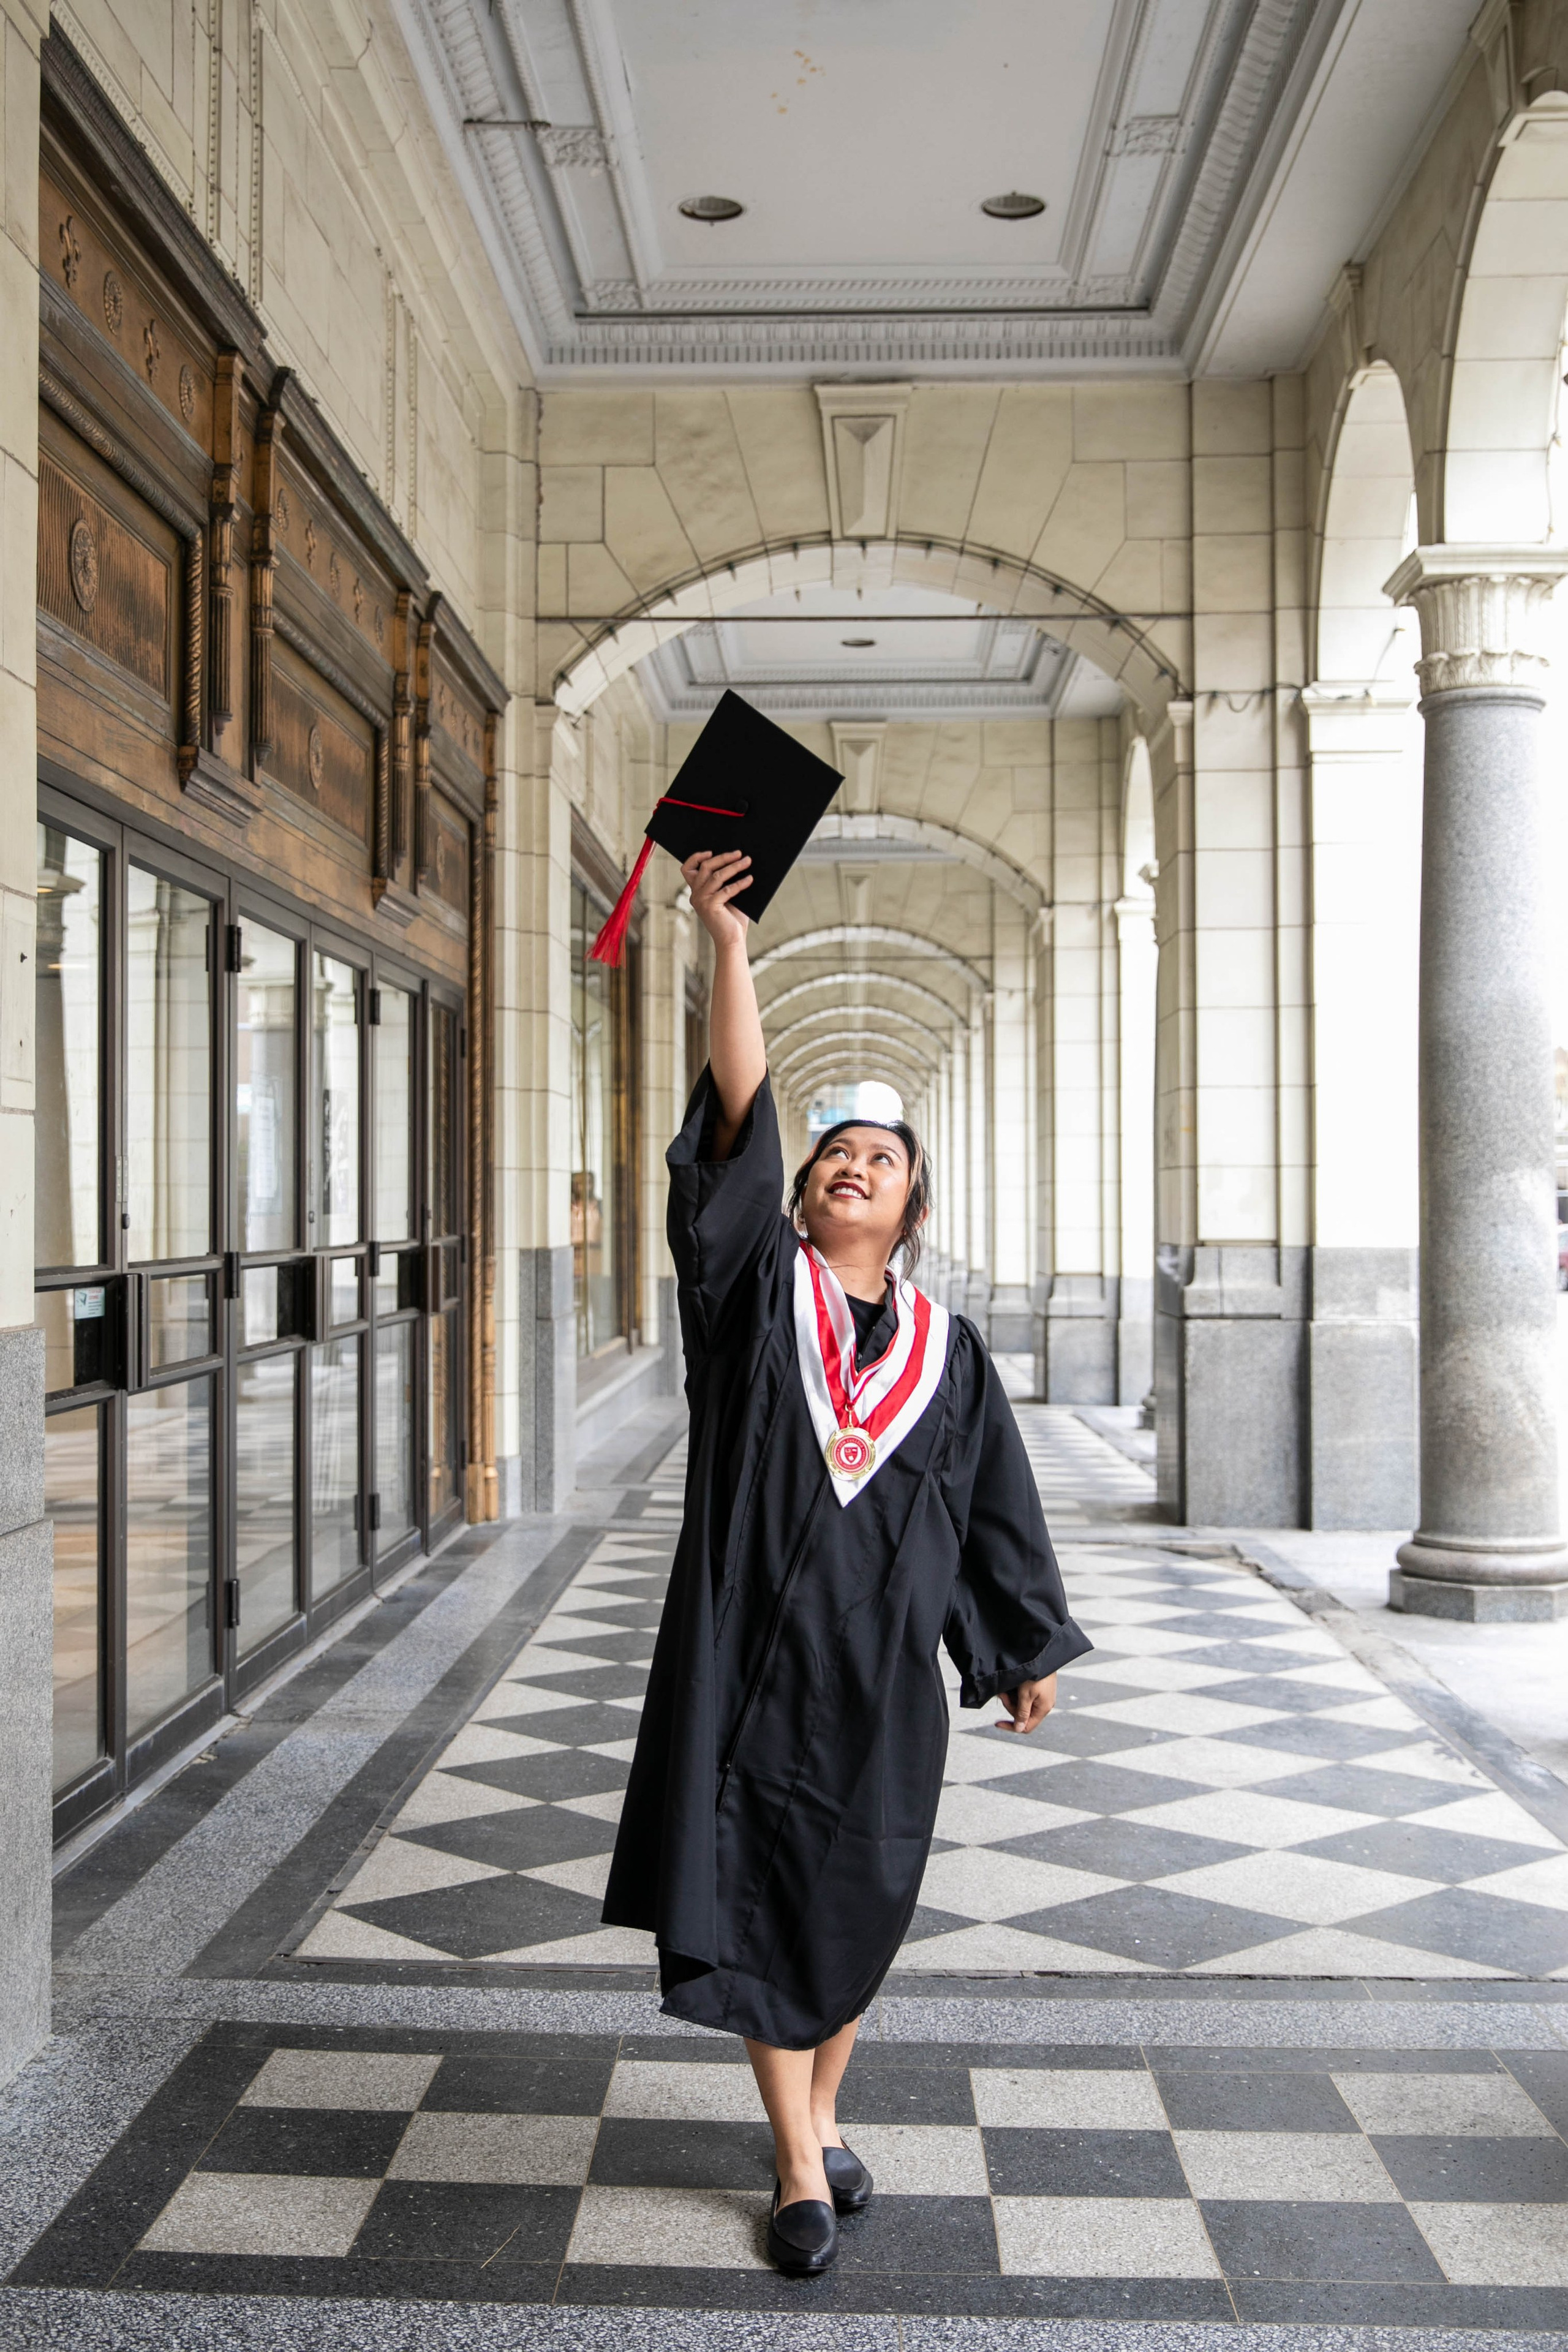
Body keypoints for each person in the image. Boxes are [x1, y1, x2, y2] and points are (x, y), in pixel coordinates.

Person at [602, 846, 1090, 2277]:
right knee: (761, 1884)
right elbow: (741, 1122)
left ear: (910, 1212)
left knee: (864, 1894)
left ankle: (820, 2115)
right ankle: (796, 2160)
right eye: (831, 1161)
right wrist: (728, 945)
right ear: (802, 1204)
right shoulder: (758, 1301)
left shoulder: (948, 1356)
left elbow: (992, 1513)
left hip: (882, 1676)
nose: (847, 1167)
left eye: (877, 1160)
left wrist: (1013, 1649)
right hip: (756, 1652)